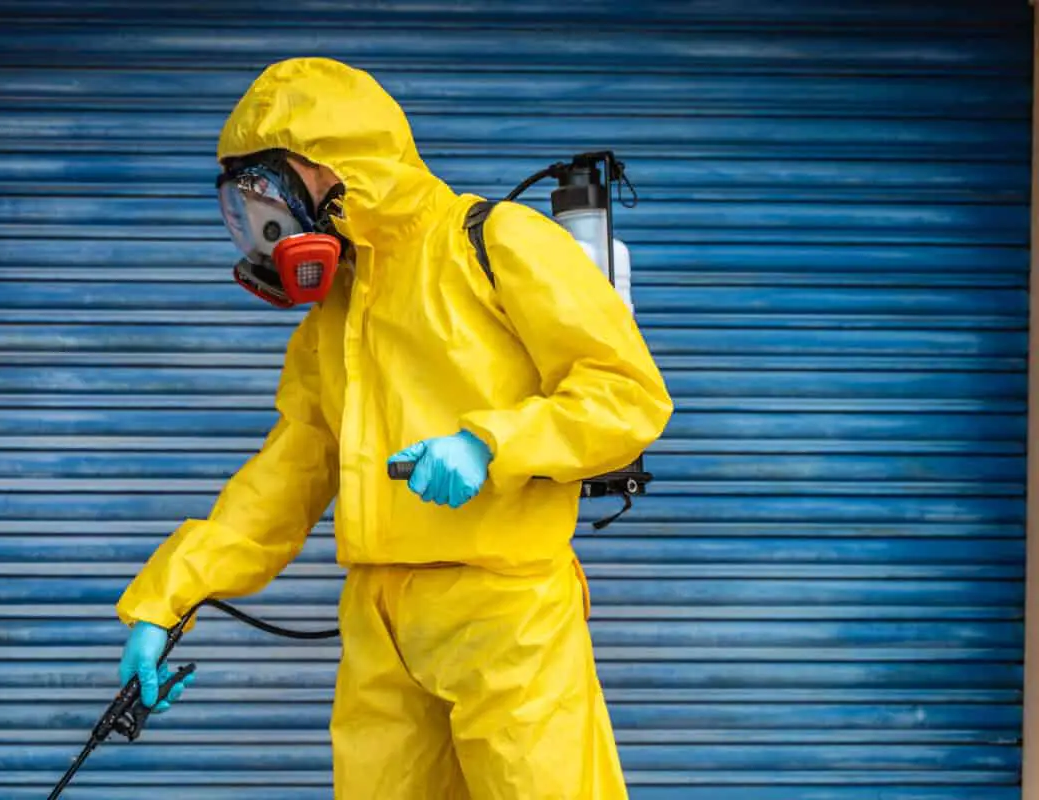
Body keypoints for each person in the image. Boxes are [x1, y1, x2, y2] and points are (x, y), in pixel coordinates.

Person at [115, 56, 673, 799]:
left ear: (329, 166)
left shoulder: (494, 244)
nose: (265, 226)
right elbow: (283, 479)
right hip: (380, 626)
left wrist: (490, 444)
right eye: (245, 207)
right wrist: (167, 599)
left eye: (270, 195)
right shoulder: (332, 318)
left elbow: (628, 395)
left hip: (506, 614)